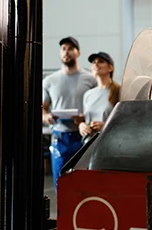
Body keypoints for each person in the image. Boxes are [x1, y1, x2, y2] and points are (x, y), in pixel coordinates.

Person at [42, 36, 96, 191]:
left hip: (84, 137)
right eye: (64, 49)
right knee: (61, 183)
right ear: (60, 53)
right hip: (60, 138)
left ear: (78, 53)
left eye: (71, 49)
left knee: (84, 184)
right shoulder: (50, 80)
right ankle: (63, 215)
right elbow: (42, 108)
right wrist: (46, 117)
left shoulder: (90, 79)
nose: (67, 52)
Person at [78, 52, 120, 138]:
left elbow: (127, 122)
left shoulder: (120, 91)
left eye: (101, 61)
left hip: (110, 143)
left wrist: (106, 126)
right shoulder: (88, 94)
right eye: (94, 62)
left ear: (110, 68)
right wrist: (81, 125)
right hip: (89, 144)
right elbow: (86, 119)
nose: (96, 64)